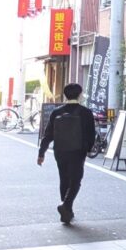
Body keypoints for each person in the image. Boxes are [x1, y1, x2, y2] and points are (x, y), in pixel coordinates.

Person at [36, 83, 96, 225]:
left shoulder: (56, 112)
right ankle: (66, 205)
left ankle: (67, 212)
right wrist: (88, 149)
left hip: (60, 150)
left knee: (64, 179)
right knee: (76, 180)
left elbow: (48, 134)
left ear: (65, 95)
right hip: (78, 151)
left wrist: (41, 153)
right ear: (80, 95)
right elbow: (91, 134)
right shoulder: (86, 112)